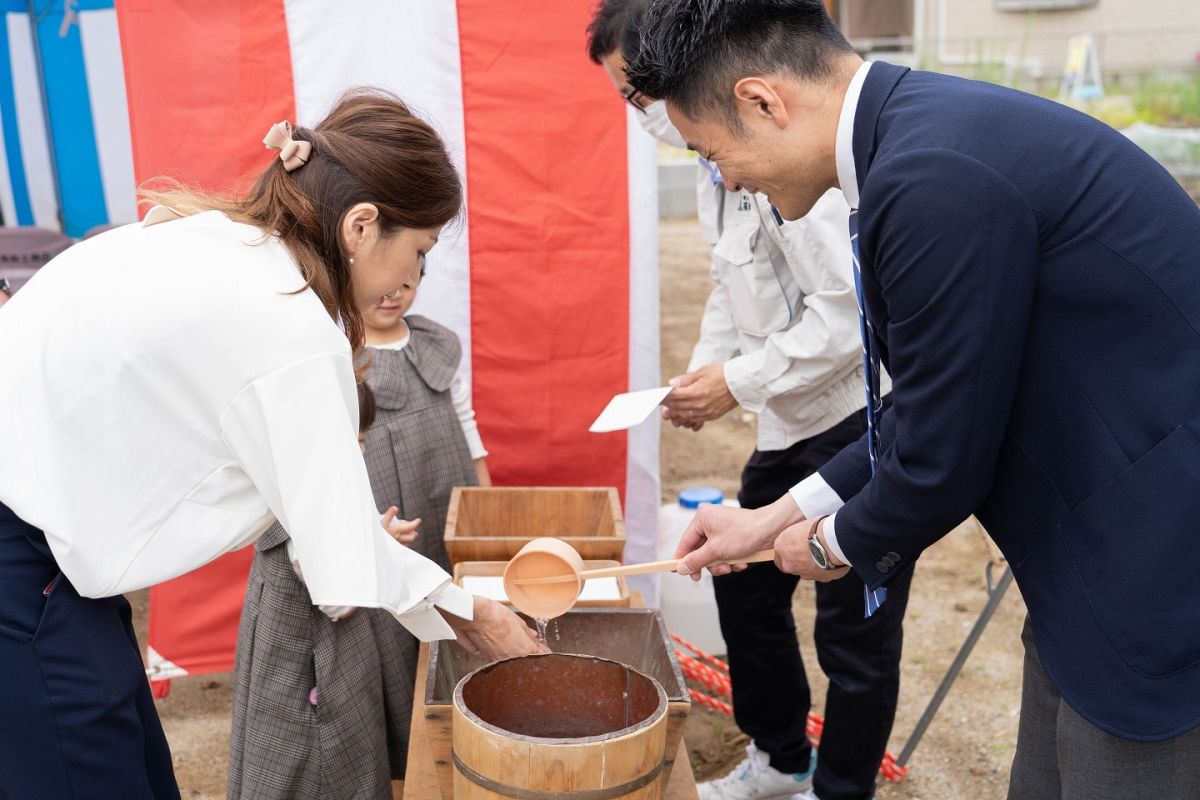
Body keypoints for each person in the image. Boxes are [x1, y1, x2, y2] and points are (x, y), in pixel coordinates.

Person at [625, 2, 1200, 798]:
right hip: (1090, 551)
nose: (725, 178)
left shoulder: (932, 175)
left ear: (762, 101)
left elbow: (940, 461)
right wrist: (772, 520)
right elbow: (932, 404)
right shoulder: (919, 137)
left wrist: (826, 546)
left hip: (1153, 560)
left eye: (714, 153)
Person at [0, 88, 542, 798]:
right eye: (418, 249)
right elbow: (338, 558)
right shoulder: (290, 326)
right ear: (361, 226)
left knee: (138, 769)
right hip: (22, 561)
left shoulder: (214, 238)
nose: (413, 276)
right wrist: (479, 616)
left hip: (48, 545)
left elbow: (315, 512)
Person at [587, 4, 910, 799]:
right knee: (740, 575)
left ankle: (841, 786)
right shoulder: (716, 167)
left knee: (853, 630)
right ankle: (780, 757)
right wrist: (702, 376)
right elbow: (733, 286)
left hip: (854, 418)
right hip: (788, 420)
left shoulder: (795, 161)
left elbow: (848, 320)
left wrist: (740, 380)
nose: (643, 112)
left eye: (640, 91)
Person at [229, 383, 425, 799]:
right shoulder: (306, 507)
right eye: (346, 443)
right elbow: (338, 599)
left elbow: (347, 534)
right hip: (310, 668)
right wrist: (378, 555)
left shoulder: (311, 485)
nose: (357, 453)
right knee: (317, 765)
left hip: (317, 660)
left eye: (362, 441)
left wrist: (377, 532)